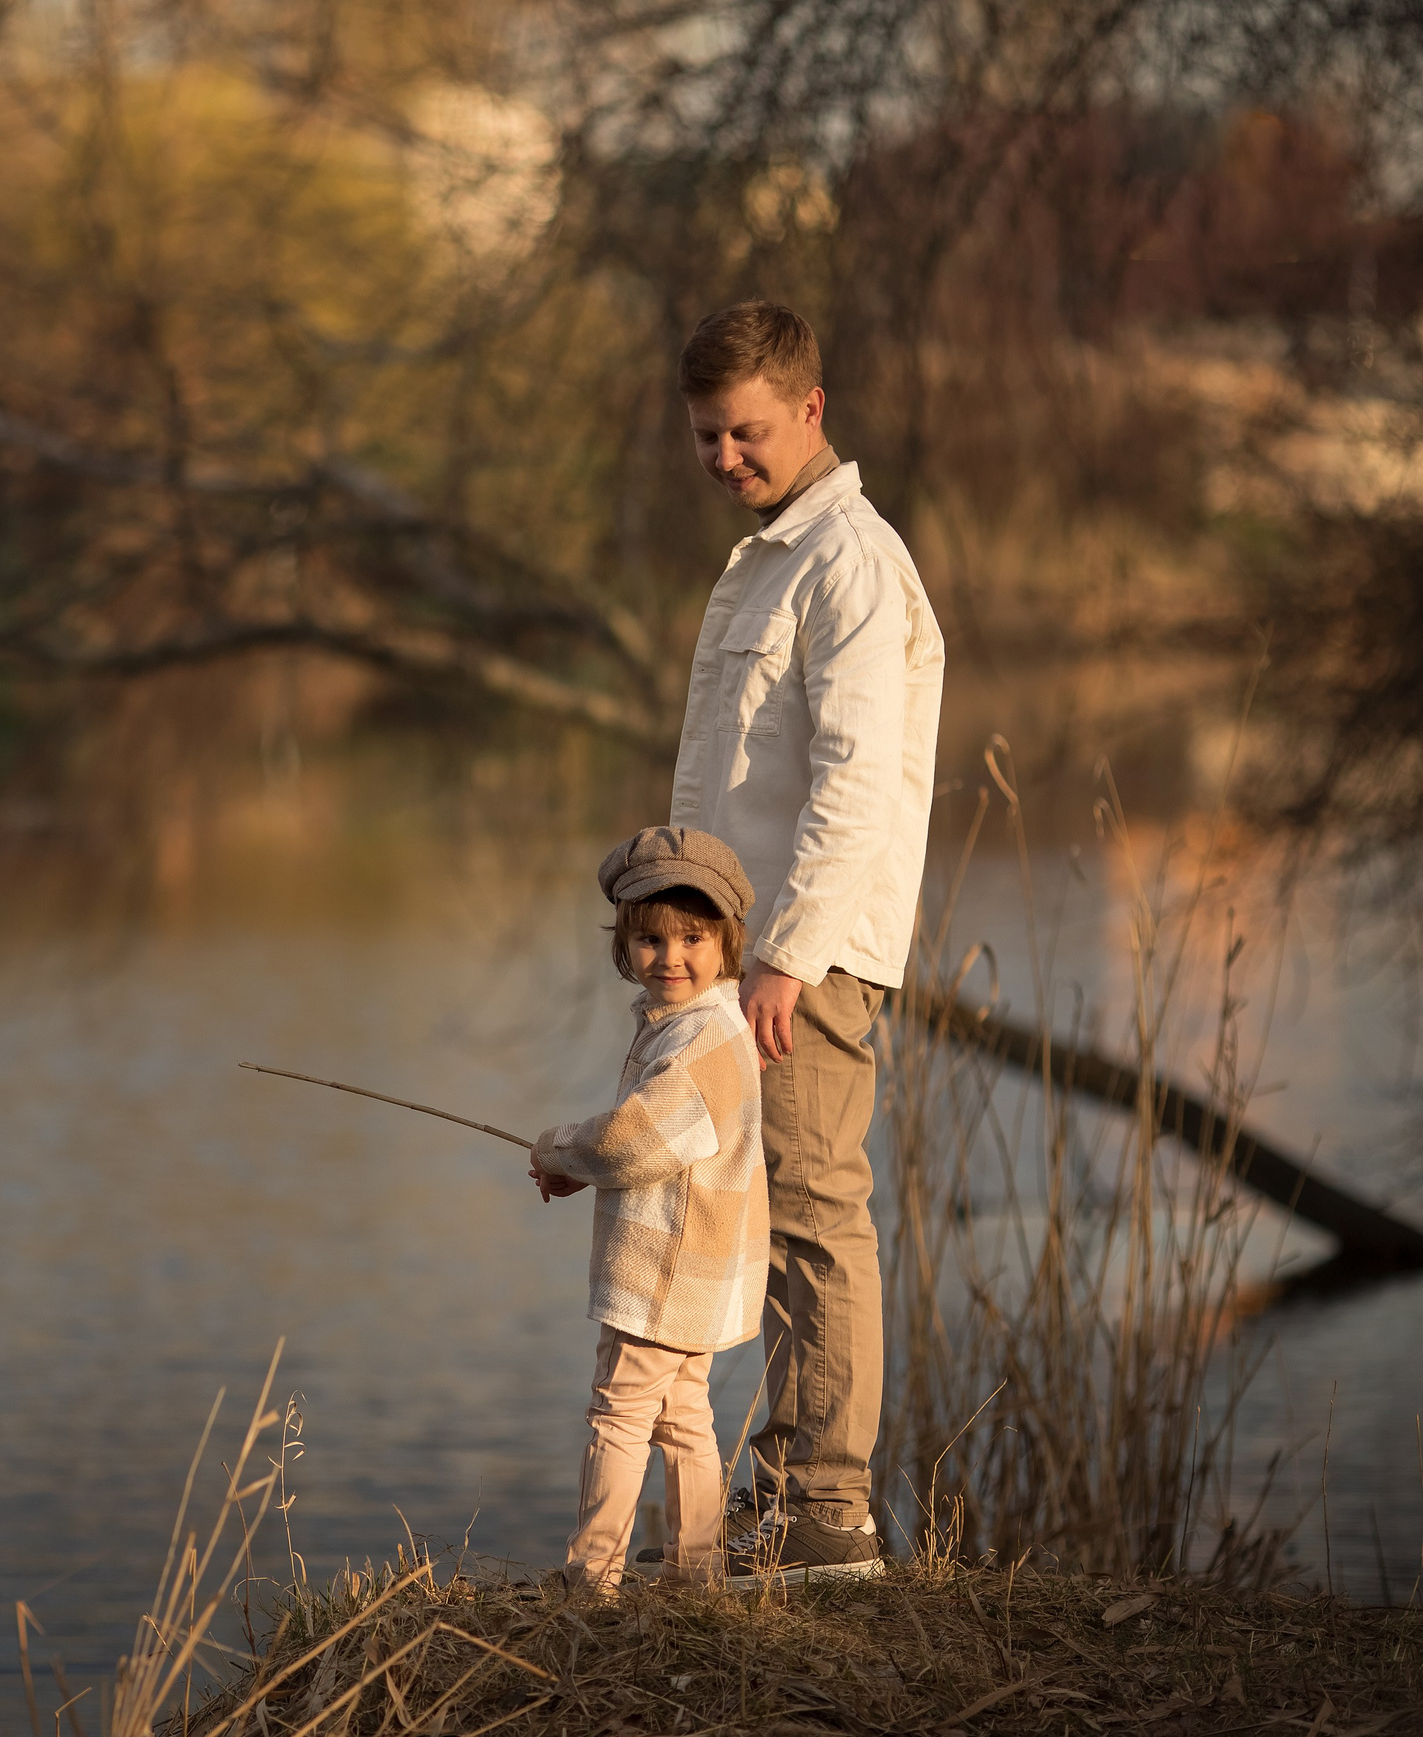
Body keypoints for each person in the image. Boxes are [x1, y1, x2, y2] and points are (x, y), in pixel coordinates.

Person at [670, 300, 944, 1585]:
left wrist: (787, 955)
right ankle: (783, 1495)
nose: (725, 456)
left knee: (816, 1208)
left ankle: (824, 1512)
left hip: (808, 959)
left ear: (811, 409)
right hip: (748, 949)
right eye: (707, 436)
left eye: (747, 431)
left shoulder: (850, 562)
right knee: (770, 1213)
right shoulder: (768, 558)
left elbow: (855, 783)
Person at [526, 826, 768, 1593]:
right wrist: (583, 1171)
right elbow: (653, 1148)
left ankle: (591, 1574)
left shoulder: (698, 1042)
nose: (670, 957)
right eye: (650, 938)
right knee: (682, 1413)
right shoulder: (701, 1023)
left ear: (726, 940)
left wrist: (559, 1149)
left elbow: (631, 1140)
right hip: (696, 1272)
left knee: (618, 1412)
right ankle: (697, 1571)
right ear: (624, 943)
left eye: (692, 937)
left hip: (665, 1273)